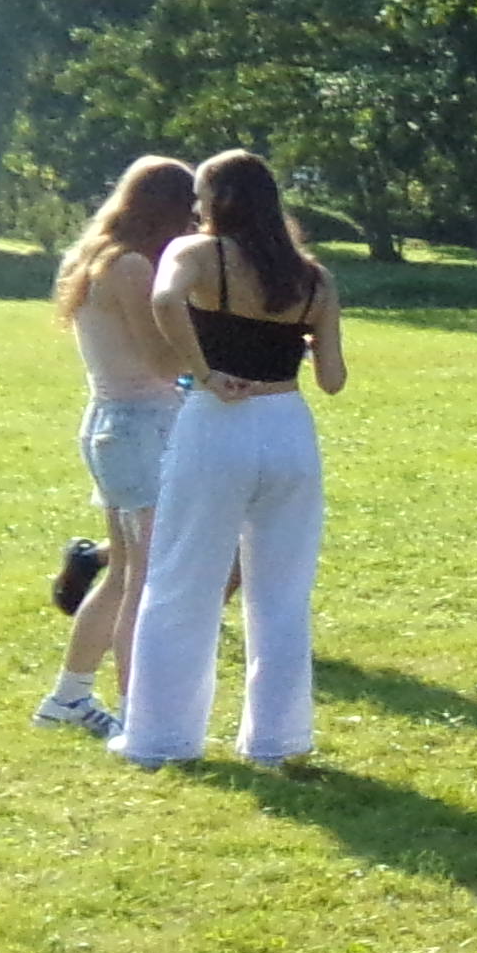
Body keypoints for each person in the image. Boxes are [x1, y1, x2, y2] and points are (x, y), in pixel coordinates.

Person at [116, 148, 345, 772]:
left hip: (218, 423)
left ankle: (160, 739)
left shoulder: (196, 253)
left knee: (181, 581)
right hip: (289, 428)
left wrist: (203, 371)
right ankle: (277, 741)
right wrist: (300, 337)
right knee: (282, 594)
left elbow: (166, 300)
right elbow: (332, 379)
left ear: (215, 200)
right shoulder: (314, 278)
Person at [39, 154, 197, 739]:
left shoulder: (92, 256)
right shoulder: (130, 266)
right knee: (146, 582)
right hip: (140, 426)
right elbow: (163, 360)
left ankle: (68, 697)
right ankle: (139, 715)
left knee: (123, 573)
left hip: (112, 424)